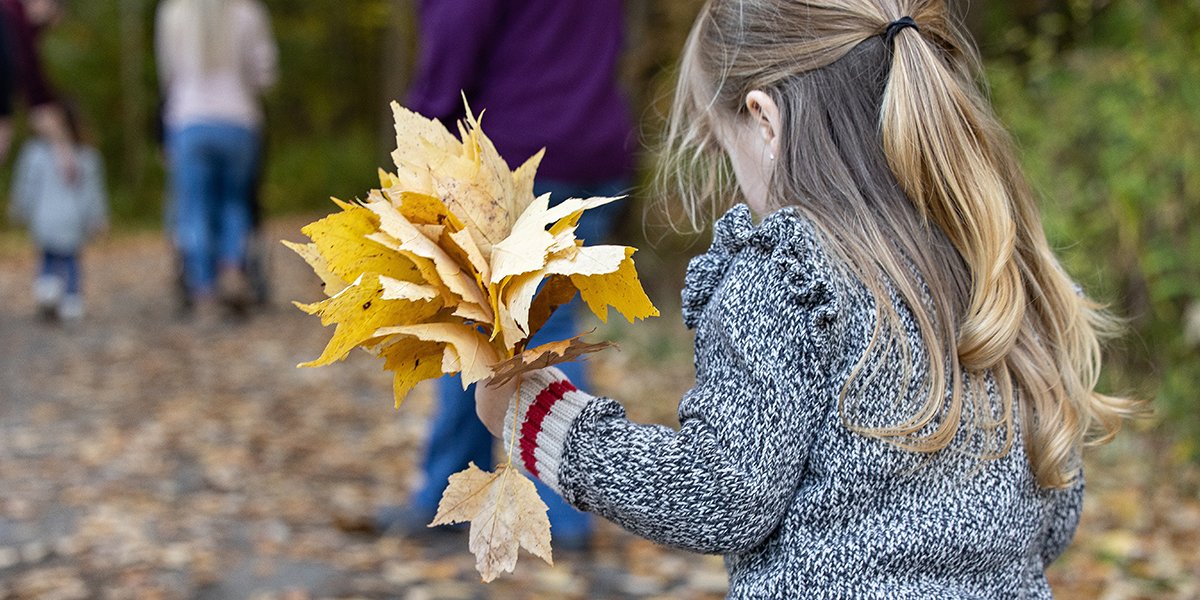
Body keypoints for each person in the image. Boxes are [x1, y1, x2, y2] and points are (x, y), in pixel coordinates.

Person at [475, 0, 1141, 596]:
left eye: (719, 143)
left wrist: (542, 422)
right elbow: (1052, 516)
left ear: (764, 119)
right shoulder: (992, 262)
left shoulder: (790, 273)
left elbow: (721, 494)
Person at [375, 0, 636, 549]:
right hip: (592, 145)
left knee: (477, 323)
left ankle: (488, 504)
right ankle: (551, 507)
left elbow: (454, 35)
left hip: (512, 152)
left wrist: (421, 132)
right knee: (544, 320)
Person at [155, 0, 277, 318]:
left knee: (194, 207)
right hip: (239, 120)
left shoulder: (173, 13)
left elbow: (167, 74)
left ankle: (203, 288)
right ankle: (233, 268)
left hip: (188, 119)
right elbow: (265, 75)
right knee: (234, 203)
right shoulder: (249, 13)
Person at [7, 100, 107, 322]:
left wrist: (96, 217)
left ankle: (64, 297)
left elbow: (92, 191)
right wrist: (20, 208)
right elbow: (26, 185)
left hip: (67, 220)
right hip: (50, 220)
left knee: (63, 259)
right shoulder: (38, 154)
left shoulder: (84, 156)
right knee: (57, 257)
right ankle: (65, 298)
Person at [0, 0, 77, 181]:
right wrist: (64, 150)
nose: (40, 32)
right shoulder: (15, 24)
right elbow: (39, 100)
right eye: (45, 23)